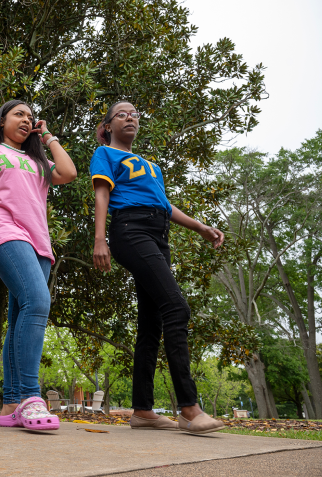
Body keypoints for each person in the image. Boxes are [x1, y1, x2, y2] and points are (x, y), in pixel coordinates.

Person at [90, 101, 226, 435]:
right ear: (107, 126)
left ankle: (142, 410)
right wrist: (99, 239)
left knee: (151, 322)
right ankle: (190, 408)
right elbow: (102, 196)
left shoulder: (151, 166)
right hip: (130, 230)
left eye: (135, 114)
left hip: (158, 234)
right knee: (176, 307)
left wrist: (200, 226)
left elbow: (165, 205)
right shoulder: (105, 154)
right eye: (122, 114)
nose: (131, 117)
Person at [0, 100, 77, 431]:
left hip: (39, 243)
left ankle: (13, 401)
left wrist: (47, 136)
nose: (26, 120)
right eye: (19, 114)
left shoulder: (37, 161)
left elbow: (69, 172)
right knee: (38, 302)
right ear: (2, 121)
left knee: (19, 317)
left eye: (31, 117)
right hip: (5, 231)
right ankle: (32, 396)